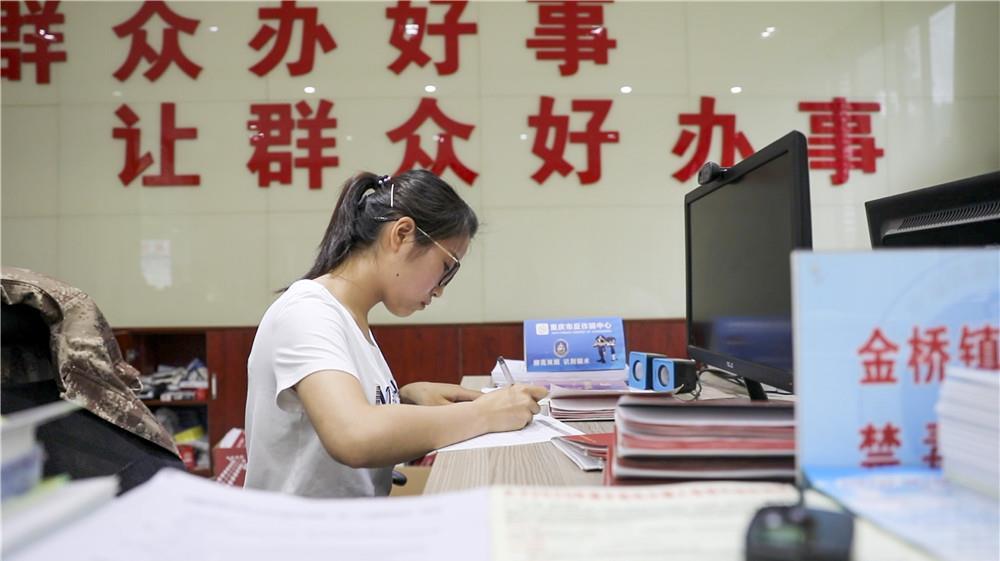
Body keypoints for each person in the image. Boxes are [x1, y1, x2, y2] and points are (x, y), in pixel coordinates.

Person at [244, 170, 548, 498]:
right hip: (303, 530)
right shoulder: (307, 313)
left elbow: (334, 414)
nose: (440, 290)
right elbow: (354, 436)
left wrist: (404, 399)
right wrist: (485, 414)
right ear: (401, 234)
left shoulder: (348, 316)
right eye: (446, 269)